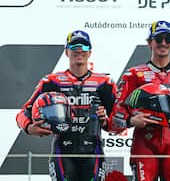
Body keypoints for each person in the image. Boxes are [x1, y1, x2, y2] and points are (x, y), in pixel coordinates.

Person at [16, 30, 117, 181]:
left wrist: (106, 122)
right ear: (66, 52)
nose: (79, 50)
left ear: (90, 52)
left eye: (83, 46)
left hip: (93, 152)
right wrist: (29, 128)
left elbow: (119, 121)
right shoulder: (51, 81)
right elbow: (24, 112)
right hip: (62, 152)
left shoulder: (104, 83)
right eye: (74, 46)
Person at [110, 20, 170, 181]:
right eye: (159, 39)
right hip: (144, 141)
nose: (163, 43)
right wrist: (131, 121)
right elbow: (115, 121)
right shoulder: (133, 75)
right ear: (149, 42)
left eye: (168, 39)